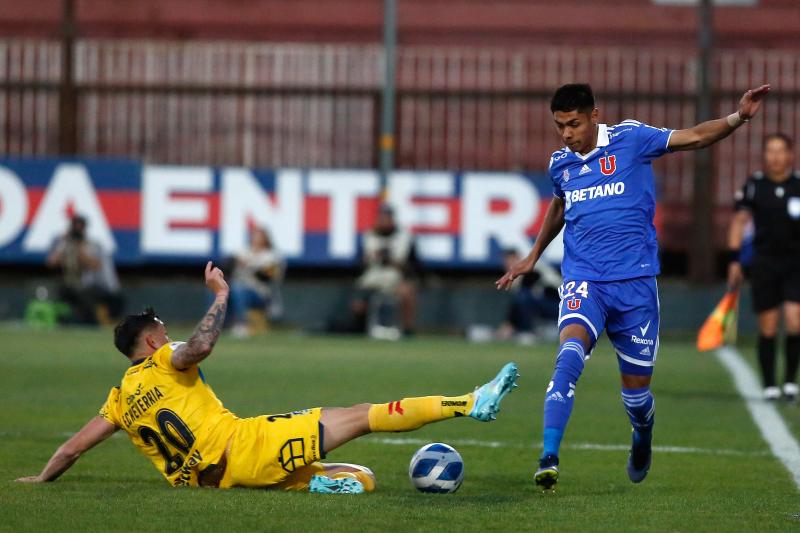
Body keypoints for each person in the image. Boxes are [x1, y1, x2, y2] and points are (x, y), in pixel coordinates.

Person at [16, 262, 518, 493]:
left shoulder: (120, 400)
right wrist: (220, 295)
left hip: (218, 482)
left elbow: (72, 449)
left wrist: (41, 478)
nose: (169, 337)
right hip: (246, 446)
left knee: (363, 479)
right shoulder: (166, 356)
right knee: (362, 416)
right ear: (149, 343)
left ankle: (313, 483)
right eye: (163, 332)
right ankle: (470, 402)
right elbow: (202, 345)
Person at [496, 82, 770, 490]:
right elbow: (559, 203)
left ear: (594, 115)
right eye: (559, 126)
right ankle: (549, 455)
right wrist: (533, 255)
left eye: (573, 124)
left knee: (637, 397)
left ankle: (642, 434)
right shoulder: (561, 163)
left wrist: (736, 118)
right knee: (568, 356)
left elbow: (693, 137)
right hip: (584, 279)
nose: (567, 134)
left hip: (636, 285)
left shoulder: (631, 138)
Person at [727, 133, 800, 402]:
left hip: (795, 264)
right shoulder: (755, 186)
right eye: (770, 151)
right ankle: (770, 384)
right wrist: (735, 258)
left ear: (790, 154)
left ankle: (790, 381)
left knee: (795, 320)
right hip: (764, 263)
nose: (776, 157)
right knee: (768, 326)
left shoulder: (798, 185)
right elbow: (739, 221)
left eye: (781, 151)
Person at [352, 204, 419, 338]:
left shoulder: (404, 238)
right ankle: (361, 329)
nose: (384, 221)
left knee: (407, 292)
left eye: (387, 218)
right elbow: (358, 265)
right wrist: (371, 258)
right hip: (372, 277)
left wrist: (394, 262)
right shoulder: (369, 236)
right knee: (358, 304)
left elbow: (415, 266)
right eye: (381, 218)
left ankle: (407, 330)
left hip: (394, 278)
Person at [46, 214, 123, 325]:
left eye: (80, 227)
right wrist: (63, 243)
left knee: (86, 294)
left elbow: (95, 266)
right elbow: (51, 262)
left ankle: (90, 323)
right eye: (75, 226)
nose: (78, 230)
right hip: (74, 285)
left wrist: (79, 249)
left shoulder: (92, 244)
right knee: (62, 291)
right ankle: (65, 321)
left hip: (97, 286)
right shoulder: (65, 243)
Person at [496, 249, 561, 344]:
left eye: (510, 260)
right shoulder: (519, 274)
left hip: (560, 304)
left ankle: (528, 332)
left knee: (524, 297)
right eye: (506, 262)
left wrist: (509, 323)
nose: (507, 264)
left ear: (517, 258)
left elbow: (528, 297)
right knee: (522, 299)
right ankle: (525, 331)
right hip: (546, 304)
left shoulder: (529, 267)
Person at [228, 227, 284, 337]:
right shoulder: (244, 252)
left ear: (266, 239)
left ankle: (241, 325)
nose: (256, 239)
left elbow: (267, 277)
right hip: (237, 288)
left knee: (239, 290)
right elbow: (228, 265)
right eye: (255, 236)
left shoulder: (272, 255)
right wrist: (235, 263)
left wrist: (249, 266)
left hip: (261, 294)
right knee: (219, 290)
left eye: (260, 237)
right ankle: (212, 325)